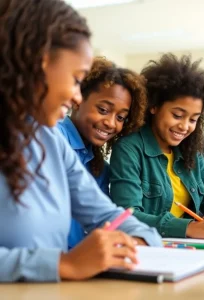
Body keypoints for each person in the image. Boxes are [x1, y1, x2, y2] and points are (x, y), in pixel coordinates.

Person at [0, 0, 161, 283]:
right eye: (76, 79)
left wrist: (138, 239)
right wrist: (62, 264)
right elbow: (63, 264)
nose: (77, 96)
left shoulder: (49, 139)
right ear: (38, 63)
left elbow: (106, 213)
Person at [109, 53, 204, 239]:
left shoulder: (191, 152)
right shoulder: (129, 148)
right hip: (149, 248)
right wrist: (188, 227)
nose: (185, 126)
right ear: (154, 106)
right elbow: (127, 215)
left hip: (191, 248)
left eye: (193, 119)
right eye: (177, 115)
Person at [57, 57, 147, 248]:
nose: (111, 123)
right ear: (77, 100)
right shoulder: (54, 136)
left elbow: (104, 219)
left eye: (121, 117)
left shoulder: (99, 167)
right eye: (103, 109)